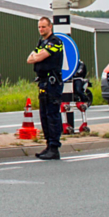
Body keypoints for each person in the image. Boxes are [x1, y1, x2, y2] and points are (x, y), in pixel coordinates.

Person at [27, 16, 65, 160]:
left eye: (44, 27)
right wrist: (35, 56)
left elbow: (39, 57)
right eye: (39, 27)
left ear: (50, 27)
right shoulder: (41, 42)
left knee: (52, 114)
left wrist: (36, 56)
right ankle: (49, 145)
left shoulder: (55, 42)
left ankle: (54, 147)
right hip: (43, 82)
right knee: (44, 115)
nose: (41, 29)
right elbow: (29, 59)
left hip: (52, 83)